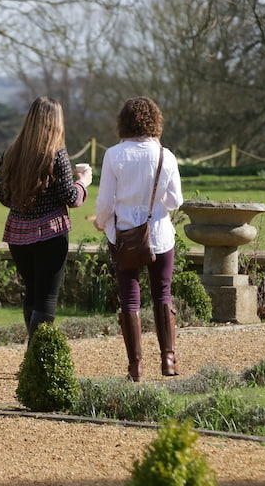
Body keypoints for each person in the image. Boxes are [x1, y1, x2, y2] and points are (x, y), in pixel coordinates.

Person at [94, 97, 184, 381]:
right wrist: (155, 202)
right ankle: (168, 360)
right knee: (162, 294)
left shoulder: (114, 155)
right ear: (156, 121)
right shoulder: (165, 156)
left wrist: (101, 221)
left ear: (123, 122)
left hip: (123, 235)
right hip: (158, 234)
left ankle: (136, 367)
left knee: (130, 300)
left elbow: (106, 200)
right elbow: (175, 201)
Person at [0, 96, 92, 344]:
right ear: (56, 122)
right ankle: (36, 359)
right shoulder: (57, 154)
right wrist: (83, 182)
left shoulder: (10, 152)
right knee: (47, 297)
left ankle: (33, 357)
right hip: (51, 232)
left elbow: (2, 196)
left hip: (17, 233)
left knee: (32, 294)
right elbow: (71, 198)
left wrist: (26, 201)